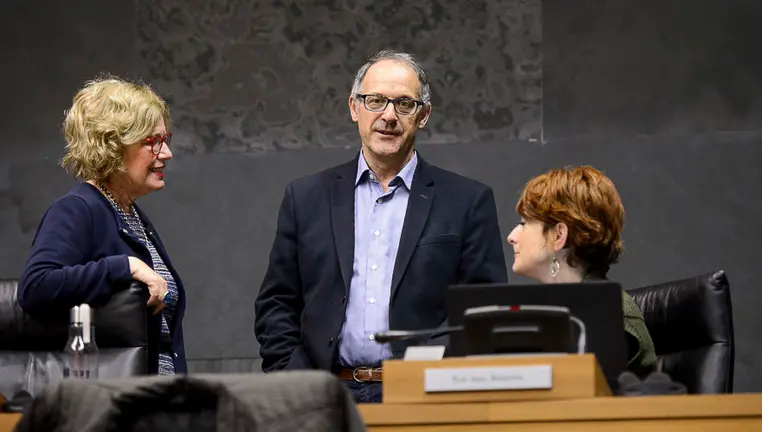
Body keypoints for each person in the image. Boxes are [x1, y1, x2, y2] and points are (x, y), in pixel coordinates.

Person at [254, 49, 508, 403]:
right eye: (375, 101)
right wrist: (295, 381)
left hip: (426, 397)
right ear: (354, 107)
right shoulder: (306, 197)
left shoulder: (467, 200)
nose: (388, 116)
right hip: (326, 396)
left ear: (424, 115)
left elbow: (484, 311)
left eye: (404, 104)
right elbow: (277, 303)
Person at [18, 76, 187, 375]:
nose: (167, 153)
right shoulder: (78, 209)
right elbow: (36, 287)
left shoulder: (130, 213)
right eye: (152, 142)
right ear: (112, 146)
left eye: (165, 139)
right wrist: (125, 267)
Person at [507, 165, 657, 377]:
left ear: (558, 235)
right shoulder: (562, 313)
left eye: (524, 224)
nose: (512, 236)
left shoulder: (609, 314)